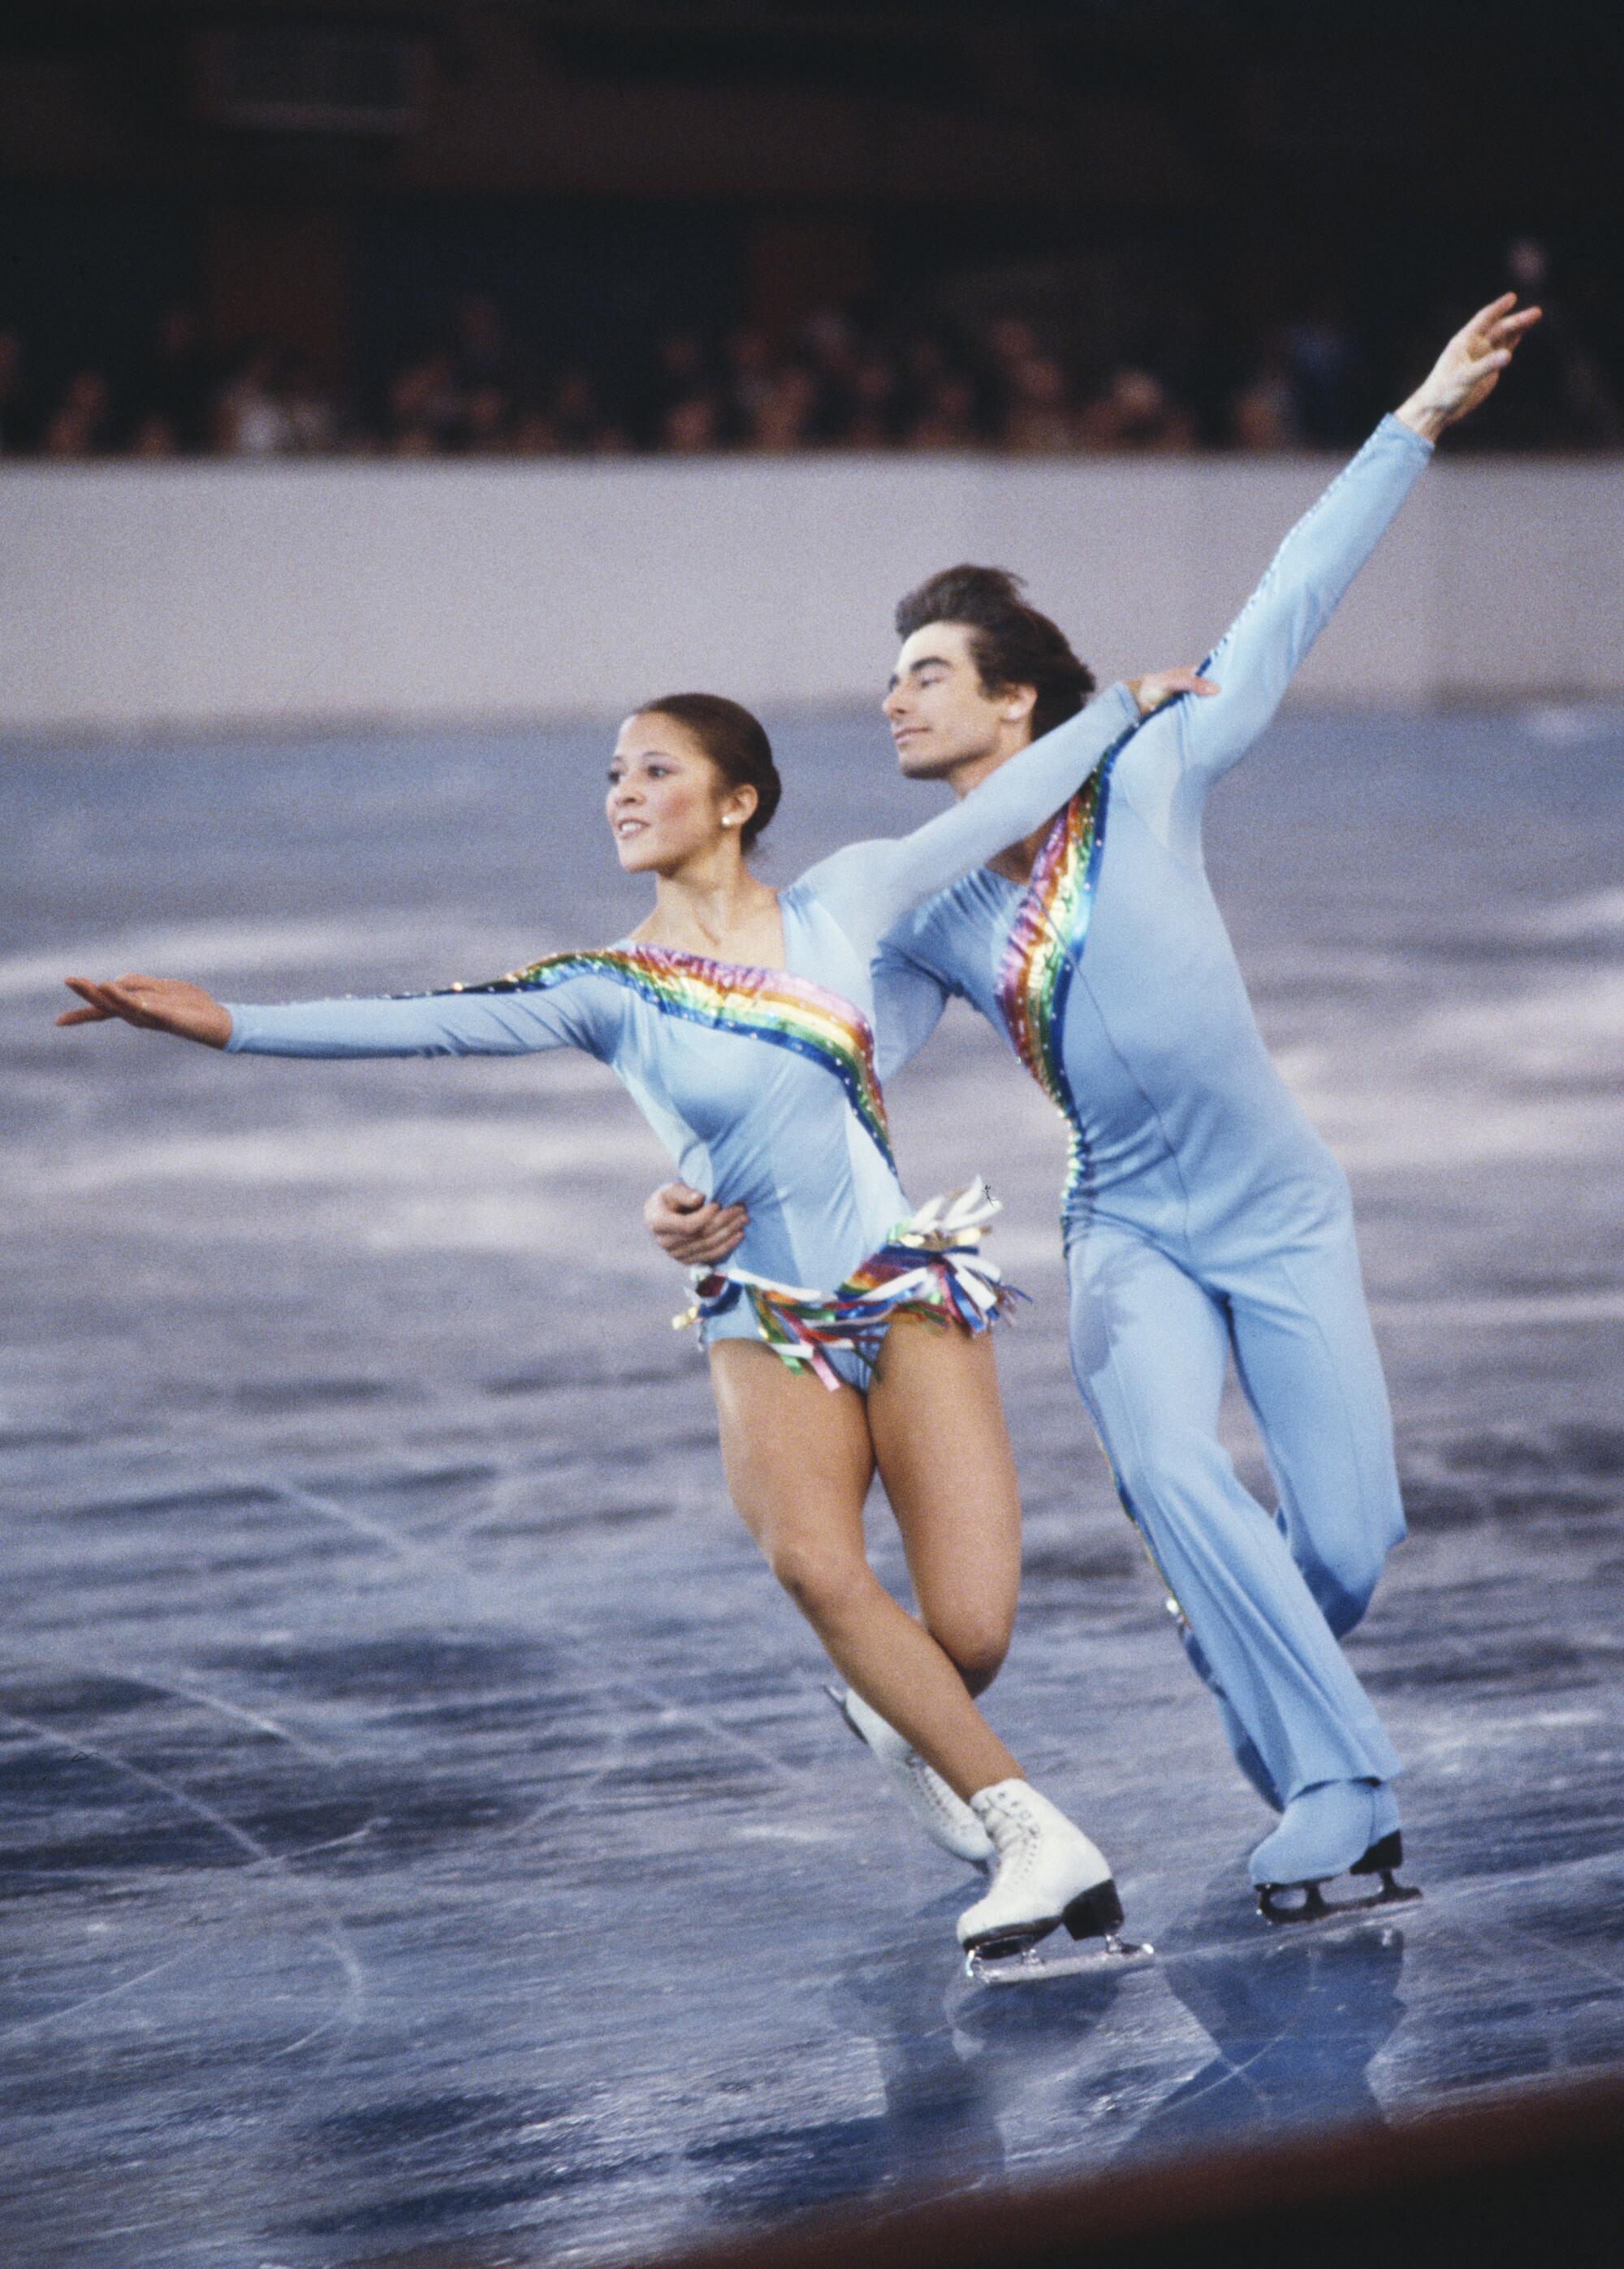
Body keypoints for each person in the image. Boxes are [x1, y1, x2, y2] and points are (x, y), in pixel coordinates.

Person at [58, 663, 1204, 1969]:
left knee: (974, 1630)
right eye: (612, 773)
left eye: (653, 768)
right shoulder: (614, 984)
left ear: (738, 801)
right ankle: (1031, 1834)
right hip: (765, 1316)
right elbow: (429, 1024)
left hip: (905, 1284)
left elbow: (1000, 803)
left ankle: (905, 1713)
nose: (622, 791)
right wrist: (229, 1025)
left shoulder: (848, 898)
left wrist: (1120, 709)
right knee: (815, 1566)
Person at [642, 293, 1541, 1923]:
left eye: (927, 673)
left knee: (1345, 1539)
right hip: (1123, 1231)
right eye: (891, 677)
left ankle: (1246, 1642)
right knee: (1187, 1487)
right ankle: (1338, 1798)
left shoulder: (1148, 774)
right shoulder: (914, 912)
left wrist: (1411, 417)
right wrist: (698, 1186)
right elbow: (821, 1059)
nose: (895, 700)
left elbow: (1286, 602)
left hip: (1280, 1204)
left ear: (1013, 708)